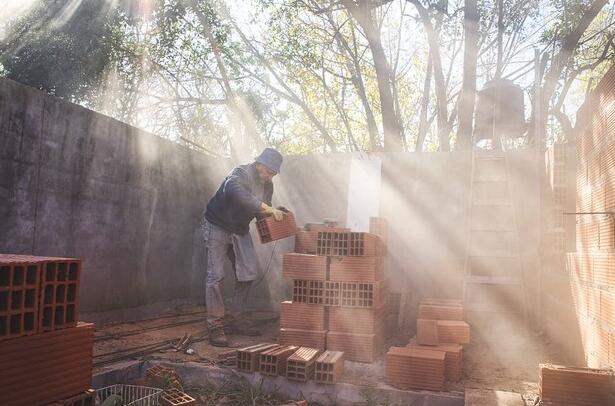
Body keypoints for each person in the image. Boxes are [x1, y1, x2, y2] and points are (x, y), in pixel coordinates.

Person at [202, 147, 286, 347]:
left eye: (273, 174)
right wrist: (267, 208)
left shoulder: (267, 185)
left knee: (248, 271)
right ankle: (215, 325)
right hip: (217, 225)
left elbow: (261, 210)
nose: (270, 177)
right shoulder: (240, 173)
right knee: (215, 276)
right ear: (259, 164)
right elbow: (235, 192)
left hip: (239, 229)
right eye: (269, 172)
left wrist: (275, 213)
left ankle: (237, 319)